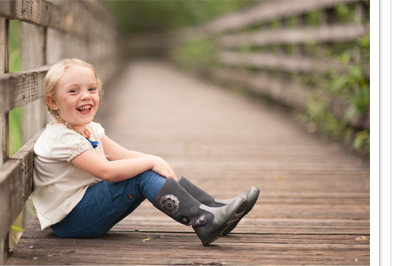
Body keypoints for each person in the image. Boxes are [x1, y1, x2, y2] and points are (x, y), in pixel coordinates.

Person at [35, 58, 259, 246]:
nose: (85, 95)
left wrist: (155, 161)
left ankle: (215, 209)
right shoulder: (61, 138)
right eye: (74, 91)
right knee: (142, 173)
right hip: (72, 221)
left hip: (84, 210)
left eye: (91, 89)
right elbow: (107, 171)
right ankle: (205, 220)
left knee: (146, 169)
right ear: (53, 102)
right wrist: (151, 162)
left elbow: (122, 155)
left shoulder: (89, 129)